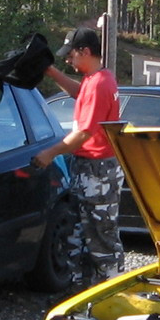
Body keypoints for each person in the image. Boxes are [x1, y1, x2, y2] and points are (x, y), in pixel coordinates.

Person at [32, 26, 123, 285]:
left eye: (70, 55)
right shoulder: (97, 78)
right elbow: (79, 93)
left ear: (85, 51)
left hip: (98, 170)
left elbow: (83, 132)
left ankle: (111, 292)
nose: (67, 60)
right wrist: (50, 71)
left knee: (101, 237)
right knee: (82, 232)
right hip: (92, 168)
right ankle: (83, 294)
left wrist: (49, 153)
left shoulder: (99, 84)